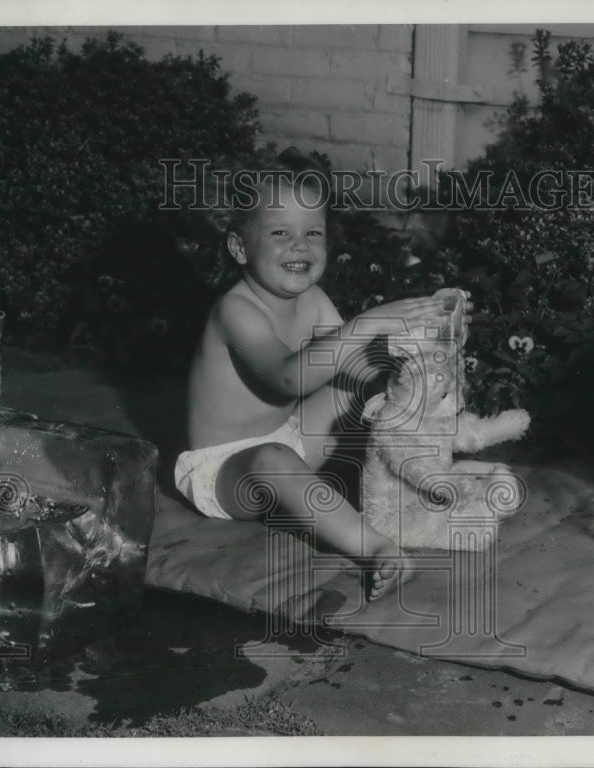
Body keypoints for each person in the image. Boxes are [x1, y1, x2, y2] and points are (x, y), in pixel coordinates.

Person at [175, 162, 447, 600]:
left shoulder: (313, 298)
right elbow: (289, 378)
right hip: (229, 471)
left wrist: (413, 365)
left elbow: (354, 368)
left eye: (313, 232)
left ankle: (415, 479)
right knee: (273, 458)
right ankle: (376, 548)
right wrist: (367, 323)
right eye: (280, 233)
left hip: (290, 438)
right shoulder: (236, 311)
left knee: (362, 393)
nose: (299, 245)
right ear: (240, 247)